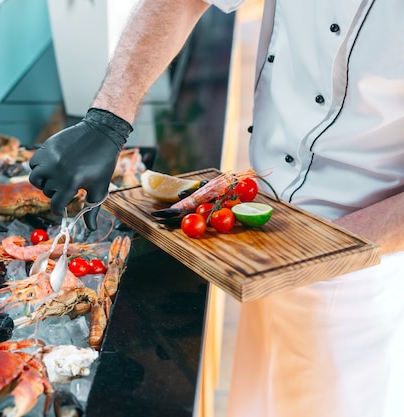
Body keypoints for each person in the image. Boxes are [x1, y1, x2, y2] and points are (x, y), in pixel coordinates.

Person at [29, 1, 404, 416]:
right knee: (256, 401)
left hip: (365, 267)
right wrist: (108, 120)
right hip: (259, 223)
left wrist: (325, 249)